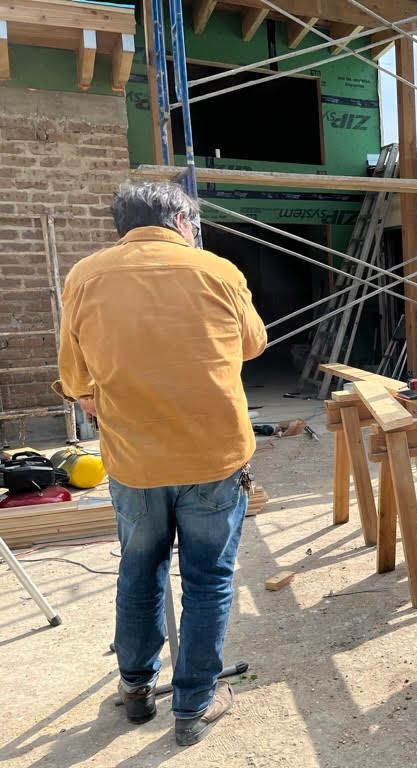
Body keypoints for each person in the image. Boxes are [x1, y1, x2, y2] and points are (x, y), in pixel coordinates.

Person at [57, 181, 267, 746]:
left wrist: (106, 398)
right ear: (180, 220)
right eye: (193, 225)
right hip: (213, 455)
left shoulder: (85, 276)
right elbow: (253, 345)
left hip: (135, 461)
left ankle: (135, 686)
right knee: (209, 578)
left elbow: (75, 380)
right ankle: (194, 705)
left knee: (140, 569)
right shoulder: (218, 271)